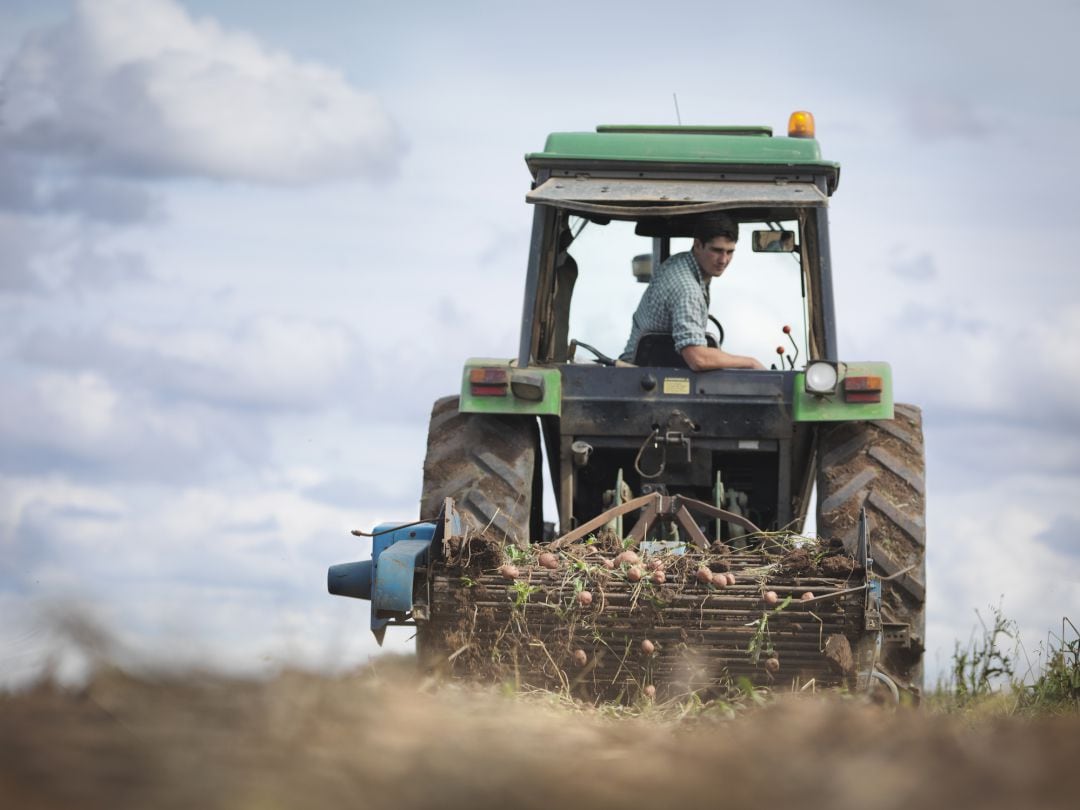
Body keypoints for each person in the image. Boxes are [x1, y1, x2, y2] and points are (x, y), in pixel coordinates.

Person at [620, 214, 765, 371]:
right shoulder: (687, 290)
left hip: (653, 375)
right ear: (697, 245)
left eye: (730, 252)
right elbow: (698, 359)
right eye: (716, 250)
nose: (723, 260)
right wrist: (751, 362)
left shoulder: (680, 263)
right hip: (638, 379)